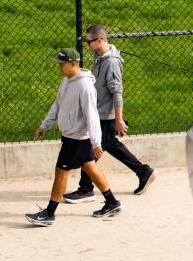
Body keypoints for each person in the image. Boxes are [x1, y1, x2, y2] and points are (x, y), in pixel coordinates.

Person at [26, 47, 123, 226]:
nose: (59, 67)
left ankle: (49, 213)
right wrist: (44, 125)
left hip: (77, 139)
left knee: (61, 172)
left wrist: (96, 142)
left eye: (61, 64)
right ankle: (112, 202)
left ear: (73, 64)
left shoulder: (85, 86)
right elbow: (57, 104)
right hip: (71, 136)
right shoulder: (66, 81)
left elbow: (92, 114)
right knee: (90, 168)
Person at [62, 24, 155, 204]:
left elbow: (117, 92)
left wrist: (119, 119)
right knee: (110, 145)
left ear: (100, 40)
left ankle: (86, 189)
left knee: (90, 150)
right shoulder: (100, 57)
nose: (87, 44)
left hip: (105, 115)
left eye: (89, 41)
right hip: (99, 112)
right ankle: (143, 172)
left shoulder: (111, 62)